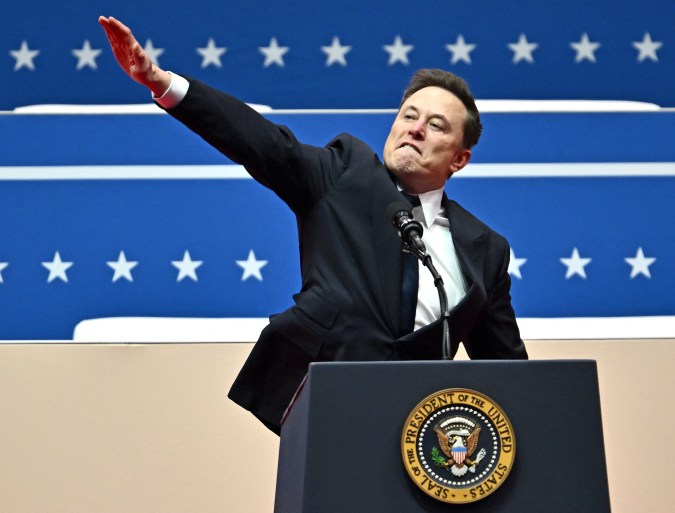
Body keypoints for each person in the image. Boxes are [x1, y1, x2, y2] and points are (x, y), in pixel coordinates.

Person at [99, 16, 528, 435]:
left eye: (435, 126)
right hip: (324, 411)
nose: (415, 130)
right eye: (408, 116)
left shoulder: (485, 250)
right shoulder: (344, 174)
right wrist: (162, 83)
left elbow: (509, 372)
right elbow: (262, 142)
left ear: (459, 159)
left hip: (420, 433)